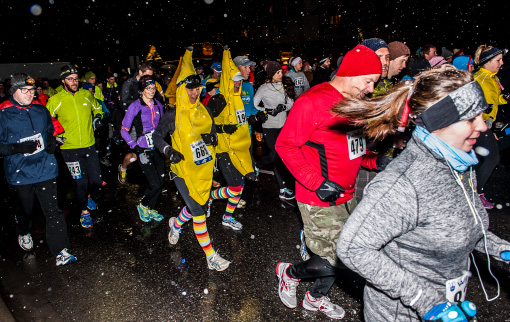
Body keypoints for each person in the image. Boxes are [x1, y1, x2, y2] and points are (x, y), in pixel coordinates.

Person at [335, 65, 510, 322]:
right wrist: (422, 298)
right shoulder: (404, 183)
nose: (483, 127)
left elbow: (459, 225)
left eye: (481, 116)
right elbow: (353, 248)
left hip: (451, 302)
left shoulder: (460, 163)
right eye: (471, 119)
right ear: (440, 122)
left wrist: (499, 248)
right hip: (402, 315)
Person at [274, 44, 387, 319]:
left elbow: (351, 149)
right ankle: (288, 273)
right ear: (351, 74)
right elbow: (285, 145)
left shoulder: (353, 104)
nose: (371, 89)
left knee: (344, 256)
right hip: (318, 197)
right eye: (369, 81)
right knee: (334, 260)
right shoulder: (313, 101)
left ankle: (315, 298)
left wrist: (375, 161)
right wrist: (316, 182)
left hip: (349, 196)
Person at [153, 46, 230, 271]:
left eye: (197, 88)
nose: (194, 93)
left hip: (203, 170)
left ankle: (175, 225)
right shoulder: (173, 115)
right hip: (182, 170)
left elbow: (213, 133)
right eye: (190, 89)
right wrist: (168, 151)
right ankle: (211, 256)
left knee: (198, 204)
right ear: (180, 90)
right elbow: (157, 137)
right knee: (198, 210)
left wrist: (212, 138)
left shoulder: (203, 111)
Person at [1, 73, 76, 266]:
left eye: (32, 90)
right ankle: (23, 230)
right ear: (13, 91)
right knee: (25, 211)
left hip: (45, 168)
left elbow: (50, 131)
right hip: (20, 173)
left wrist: (52, 142)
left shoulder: (40, 110)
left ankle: (61, 251)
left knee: (53, 211)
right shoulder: (4, 114)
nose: (29, 94)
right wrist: (16, 148)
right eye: (24, 90)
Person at [205, 48, 257, 230]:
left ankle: (220, 207)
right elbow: (206, 124)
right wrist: (221, 128)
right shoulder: (219, 99)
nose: (237, 84)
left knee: (239, 186)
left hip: (238, 149)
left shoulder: (238, 98)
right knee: (235, 187)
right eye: (234, 81)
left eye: (240, 81)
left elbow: (240, 121)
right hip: (224, 150)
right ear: (228, 80)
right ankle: (216, 204)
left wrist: (253, 119)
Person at [46, 65, 103, 229]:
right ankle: (84, 212)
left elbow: (97, 107)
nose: (74, 82)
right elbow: (46, 120)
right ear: (63, 81)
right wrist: (55, 136)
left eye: (76, 79)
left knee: (97, 180)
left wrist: (98, 117)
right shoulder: (56, 100)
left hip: (89, 145)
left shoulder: (86, 95)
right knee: (80, 183)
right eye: (70, 79)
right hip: (69, 149)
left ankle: (87, 195)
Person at [121, 75, 165, 222]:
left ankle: (150, 209)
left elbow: (162, 126)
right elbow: (123, 130)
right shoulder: (135, 106)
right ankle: (143, 204)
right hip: (143, 149)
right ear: (142, 90)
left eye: (153, 88)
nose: (152, 91)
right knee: (154, 183)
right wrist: (135, 147)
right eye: (148, 88)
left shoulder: (158, 104)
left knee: (160, 181)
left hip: (157, 148)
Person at [253, 61, 295, 200]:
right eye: (278, 72)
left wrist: (283, 107)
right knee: (277, 155)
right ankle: (282, 189)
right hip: (269, 126)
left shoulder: (284, 86)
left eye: (281, 72)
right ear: (271, 74)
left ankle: (257, 165)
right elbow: (255, 104)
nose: (281, 74)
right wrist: (266, 110)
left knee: (278, 154)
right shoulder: (264, 88)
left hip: (283, 125)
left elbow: (291, 103)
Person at [473, 45, 507, 209]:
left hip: (485, 124)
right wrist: (487, 122)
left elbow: (495, 99)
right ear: (486, 62)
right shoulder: (483, 79)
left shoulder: (492, 77)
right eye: (497, 60)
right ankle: (476, 193)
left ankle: (474, 191)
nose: (501, 63)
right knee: (492, 157)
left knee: (482, 158)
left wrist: (505, 98)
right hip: (479, 124)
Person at [118, 62, 158, 184]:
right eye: (147, 75)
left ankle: (150, 179)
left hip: (147, 122)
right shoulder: (129, 84)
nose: (149, 78)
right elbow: (123, 103)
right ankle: (123, 168)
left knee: (149, 152)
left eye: (151, 76)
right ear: (140, 72)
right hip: (134, 124)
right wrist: (139, 104)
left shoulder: (150, 84)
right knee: (135, 154)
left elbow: (158, 99)